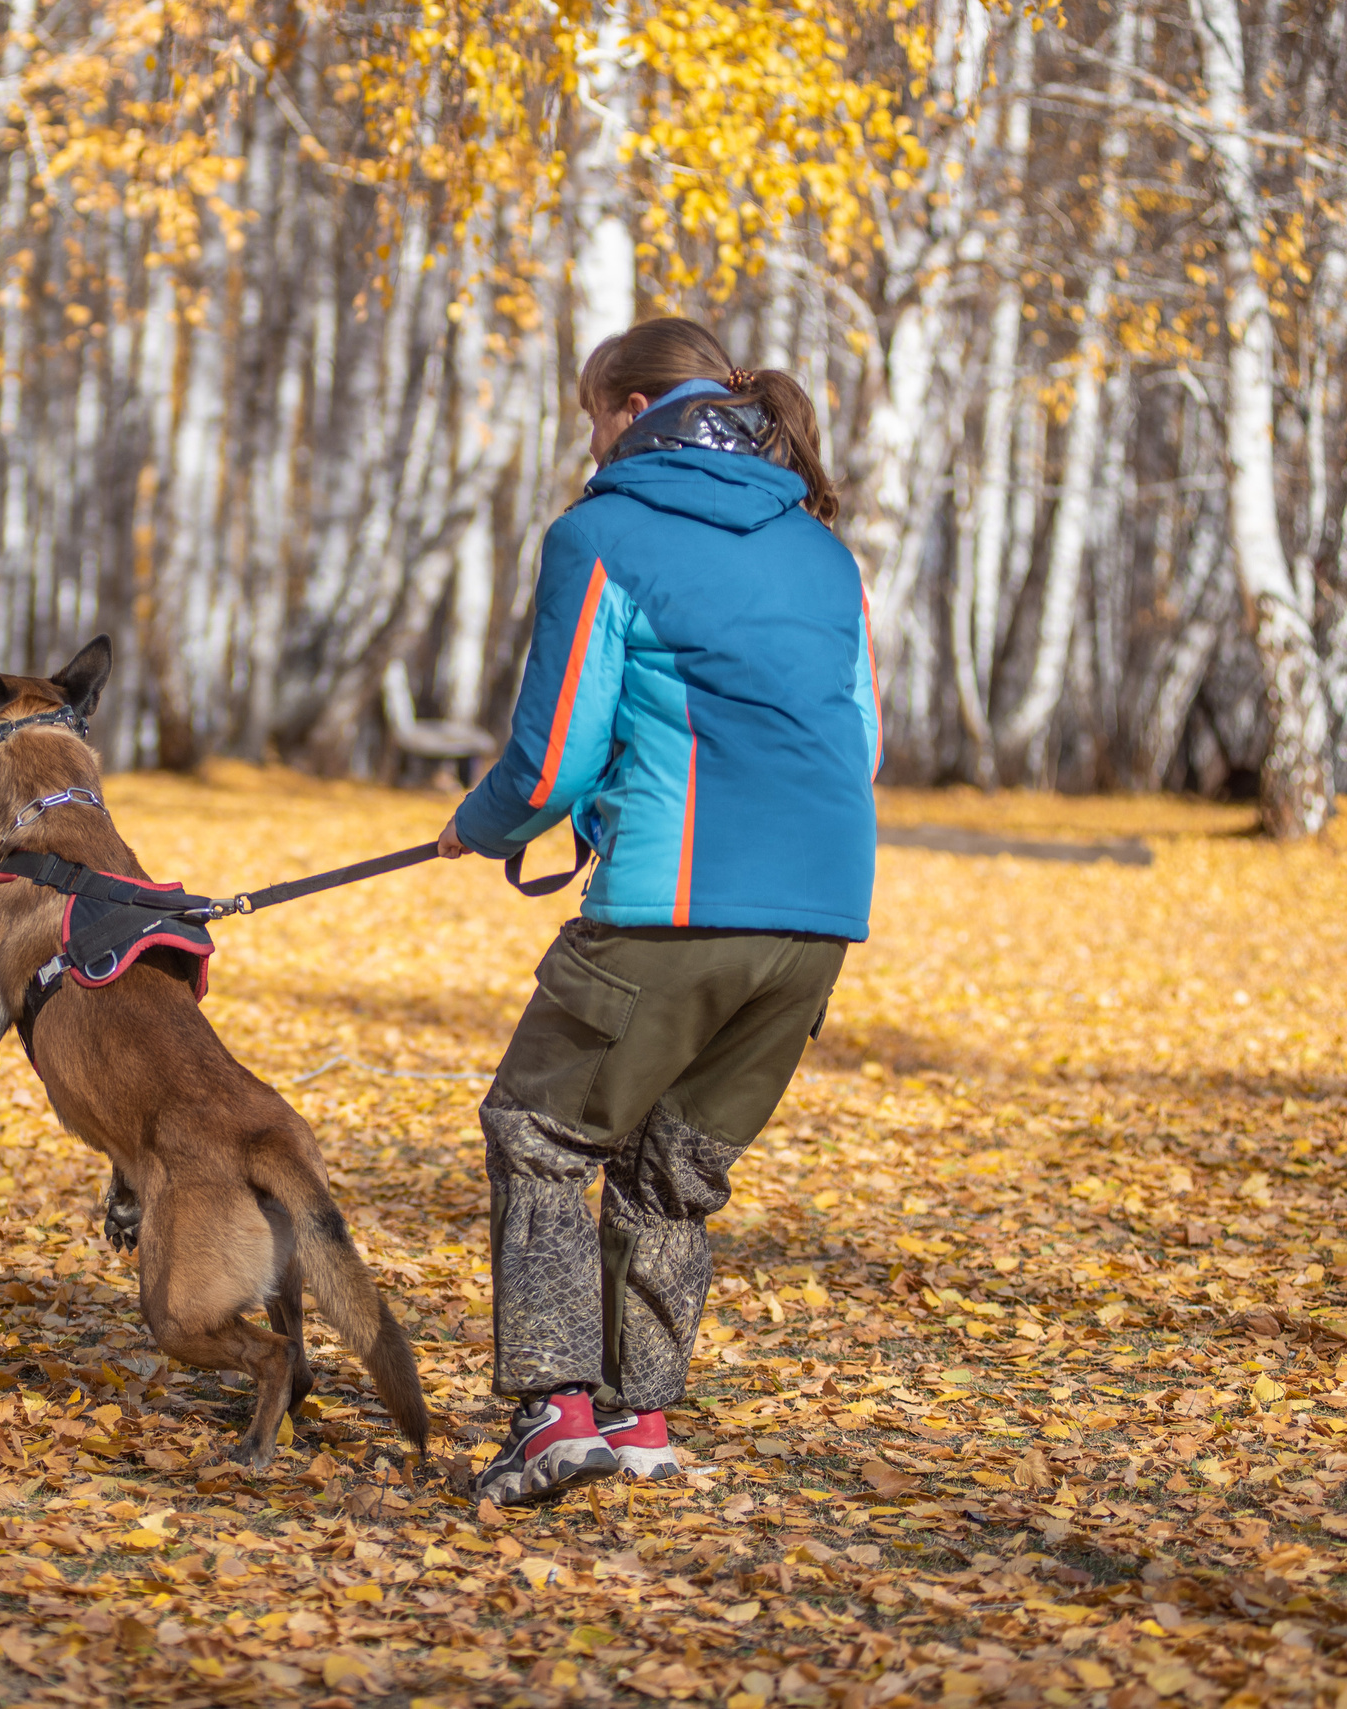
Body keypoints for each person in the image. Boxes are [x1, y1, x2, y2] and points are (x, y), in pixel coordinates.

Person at [436, 316, 878, 1505]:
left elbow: (549, 758)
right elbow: (856, 739)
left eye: (591, 413)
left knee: (540, 1133)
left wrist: (482, 825)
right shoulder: (820, 548)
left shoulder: (604, 531)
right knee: (670, 1168)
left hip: (675, 904)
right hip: (820, 914)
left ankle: (553, 1413)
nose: (588, 439)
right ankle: (641, 1419)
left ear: (632, 411)